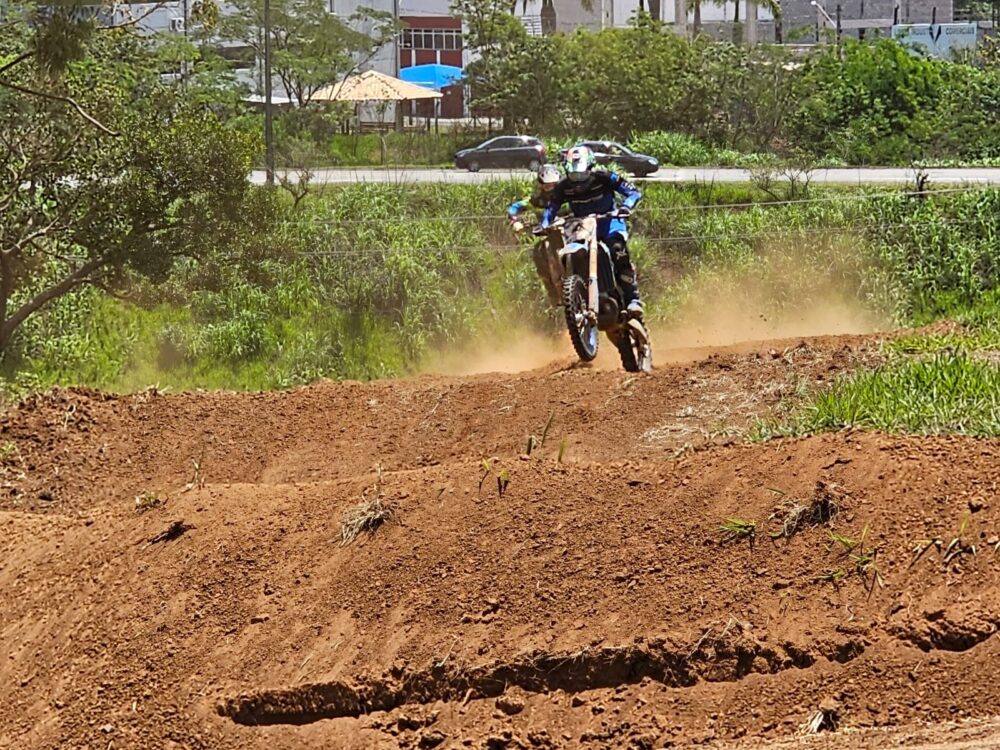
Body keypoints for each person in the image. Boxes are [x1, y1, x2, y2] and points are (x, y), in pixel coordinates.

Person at [537, 145, 644, 318]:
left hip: (609, 222)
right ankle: (575, 296)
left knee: (618, 250)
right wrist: (544, 223)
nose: (578, 180)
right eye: (573, 175)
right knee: (568, 254)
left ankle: (633, 298)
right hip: (583, 227)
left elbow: (633, 192)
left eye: (581, 174)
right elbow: (552, 207)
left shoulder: (605, 177)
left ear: (590, 167)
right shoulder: (564, 186)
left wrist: (626, 206)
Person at [506, 163, 564, 305]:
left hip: (573, 230)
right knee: (538, 252)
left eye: (554, 185)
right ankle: (553, 294)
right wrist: (515, 221)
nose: (550, 189)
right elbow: (514, 208)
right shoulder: (537, 200)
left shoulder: (569, 195)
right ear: (541, 184)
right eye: (547, 185)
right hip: (550, 234)